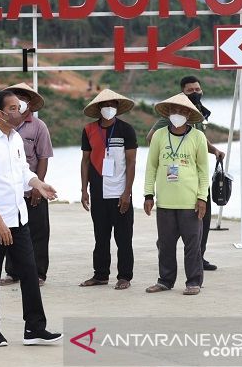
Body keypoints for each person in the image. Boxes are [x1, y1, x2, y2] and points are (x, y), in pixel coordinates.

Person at [0, 90, 61, 347]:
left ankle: (34, 329)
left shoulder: (15, 140)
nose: (20, 110)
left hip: (19, 218)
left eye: (19, 106)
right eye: (13, 107)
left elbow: (23, 171)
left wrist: (38, 183)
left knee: (30, 273)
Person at [146, 76, 224, 271]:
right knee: (179, 225)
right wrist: (167, 147)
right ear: (183, 92)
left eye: (198, 89)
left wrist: (213, 150)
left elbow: (198, 141)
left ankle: (200, 257)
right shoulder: (172, 115)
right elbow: (150, 138)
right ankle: (166, 251)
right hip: (173, 182)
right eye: (190, 90)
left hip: (197, 181)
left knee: (203, 221)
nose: (195, 92)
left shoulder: (197, 114)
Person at [144, 93, 209, 296]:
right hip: (165, 202)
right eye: (174, 110)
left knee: (193, 245)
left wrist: (202, 198)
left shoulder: (198, 137)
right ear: (168, 113)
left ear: (189, 114)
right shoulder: (159, 135)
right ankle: (165, 280)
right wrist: (148, 194)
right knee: (165, 245)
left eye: (182, 111)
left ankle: (193, 282)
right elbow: (151, 167)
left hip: (190, 202)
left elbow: (203, 171)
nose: (178, 114)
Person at [79, 89, 137, 290]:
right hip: (98, 193)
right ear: (98, 108)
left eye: (112, 105)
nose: (108, 108)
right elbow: (85, 161)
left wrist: (127, 192)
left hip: (120, 194)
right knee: (100, 237)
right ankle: (100, 275)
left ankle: (124, 277)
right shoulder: (89, 130)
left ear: (118, 108)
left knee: (123, 238)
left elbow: (131, 162)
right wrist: (84, 190)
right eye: (104, 105)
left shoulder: (126, 130)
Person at [0, 83, 53, 287]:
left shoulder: (39, 127)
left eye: (24, 98)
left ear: (30, 103)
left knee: (38, 232)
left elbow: (44, 158)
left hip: (33, 188)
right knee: (12, 230)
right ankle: (13, 272)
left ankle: (39, 273)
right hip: (11, 190)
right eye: (16, 97)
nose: (20, 101)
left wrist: (38, 187)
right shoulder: (3, 126)